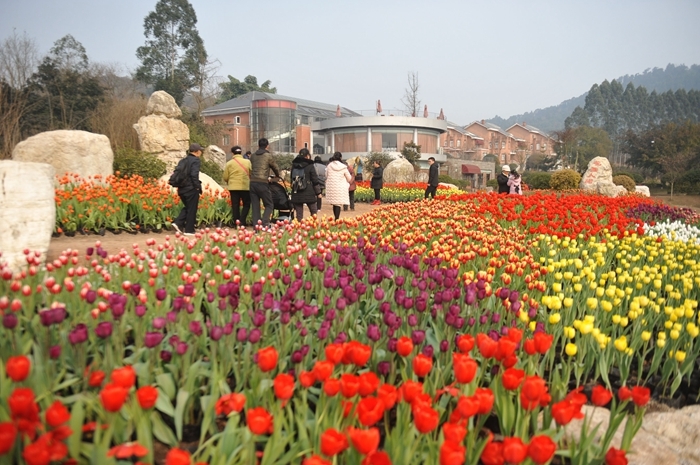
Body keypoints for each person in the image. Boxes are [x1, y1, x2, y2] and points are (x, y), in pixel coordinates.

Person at [249, 138, 281, 229]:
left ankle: (256, 227)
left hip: (253, 183)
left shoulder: (253, 156)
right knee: (269, 204)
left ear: (258, 145)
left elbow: (251, 168)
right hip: (262, 183)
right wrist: (277, 176)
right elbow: (275, 167)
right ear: (267, 146)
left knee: (255, 206)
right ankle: (264, 223)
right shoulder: (268, 155)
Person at [172, 143, 203, 236]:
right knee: (192, 209)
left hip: (181, 188)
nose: (201, 152)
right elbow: (194, 175)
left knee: (189, 207)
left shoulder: (183, 161)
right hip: (191, 188)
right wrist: (197, 186)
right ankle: (189, 230)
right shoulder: (195, 161)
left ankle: (178, 223)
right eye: (200, 150)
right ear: (197, 152)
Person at [223, 145, 251, 227]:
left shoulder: (229, 163)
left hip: (233, 187)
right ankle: (242, 221)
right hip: (245, 187)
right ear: (241, 152)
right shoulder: (247, 162)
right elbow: (251, 173)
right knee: (246, 204)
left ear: (232, 153)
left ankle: (236, 223)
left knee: (235, 205)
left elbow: (225, 177)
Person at [290, 148, 322, 220]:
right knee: (313, 211)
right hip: (309, 191)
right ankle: (313, 226)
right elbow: (315, 180)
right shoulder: (310, 165)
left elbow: (291, 179)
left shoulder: (294, 165)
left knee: (299, 214)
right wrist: (318, 192)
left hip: (297, 191)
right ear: (307, 156)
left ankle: (299, 228)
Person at [325, 152, 353, 220]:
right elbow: (349, 178)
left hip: (332, 187)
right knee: (338, 204)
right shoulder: (343, 167)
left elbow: (326, 175)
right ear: (341, 158)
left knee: (335, 203)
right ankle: (337, 219)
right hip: (340, 187)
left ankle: (336, 218)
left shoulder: (329, 165)